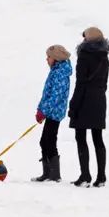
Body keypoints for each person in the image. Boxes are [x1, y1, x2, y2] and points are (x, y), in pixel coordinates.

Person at [69, 27, 109, 188]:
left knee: (81, 137)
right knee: (98, 139)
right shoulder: (105, 58)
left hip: (85, 99)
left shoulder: (84, 57)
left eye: (85, 38)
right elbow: (105, 83)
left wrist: (73, 105)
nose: (83, 40)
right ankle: (101, 177)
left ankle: (85, 175)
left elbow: (80, 84)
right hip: (100, 99)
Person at [32, 44, 73, 183]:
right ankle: (48, 173)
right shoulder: (56, 71)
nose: (46, 59)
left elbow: (55, 96)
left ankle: (54, 174)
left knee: (48, 141)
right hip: (49, 112)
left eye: (48, 57)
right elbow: (47, 93)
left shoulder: (60, 73)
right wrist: (40, 109)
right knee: (46, 141)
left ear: (55, 58)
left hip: (54, 113)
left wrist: (44, 111)